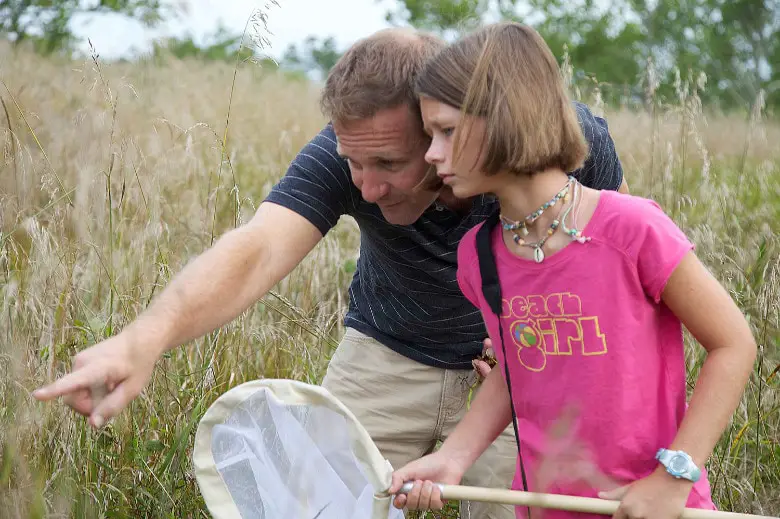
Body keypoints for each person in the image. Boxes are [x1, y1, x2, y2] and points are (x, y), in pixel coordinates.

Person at [32, 27, 628, 519]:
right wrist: (144, 340)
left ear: (448, 125)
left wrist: (538, 343)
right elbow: (258, 248)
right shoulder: (348, 151)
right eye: (353, 162)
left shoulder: (562, 143)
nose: (366, 186)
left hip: (518, 372)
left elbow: (615, 267)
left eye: (390, 163)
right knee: (319, 506)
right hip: (386, 354)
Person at [388, 21, 757, 519]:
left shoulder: (632, 228)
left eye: (447, 131)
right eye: (430, 134)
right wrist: (454, 457)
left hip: (649, 506)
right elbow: (518, 367)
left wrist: (674, 476)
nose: (432, 154)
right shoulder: (480, 254)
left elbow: (734, 345)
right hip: (544, 504)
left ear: (506, 117)